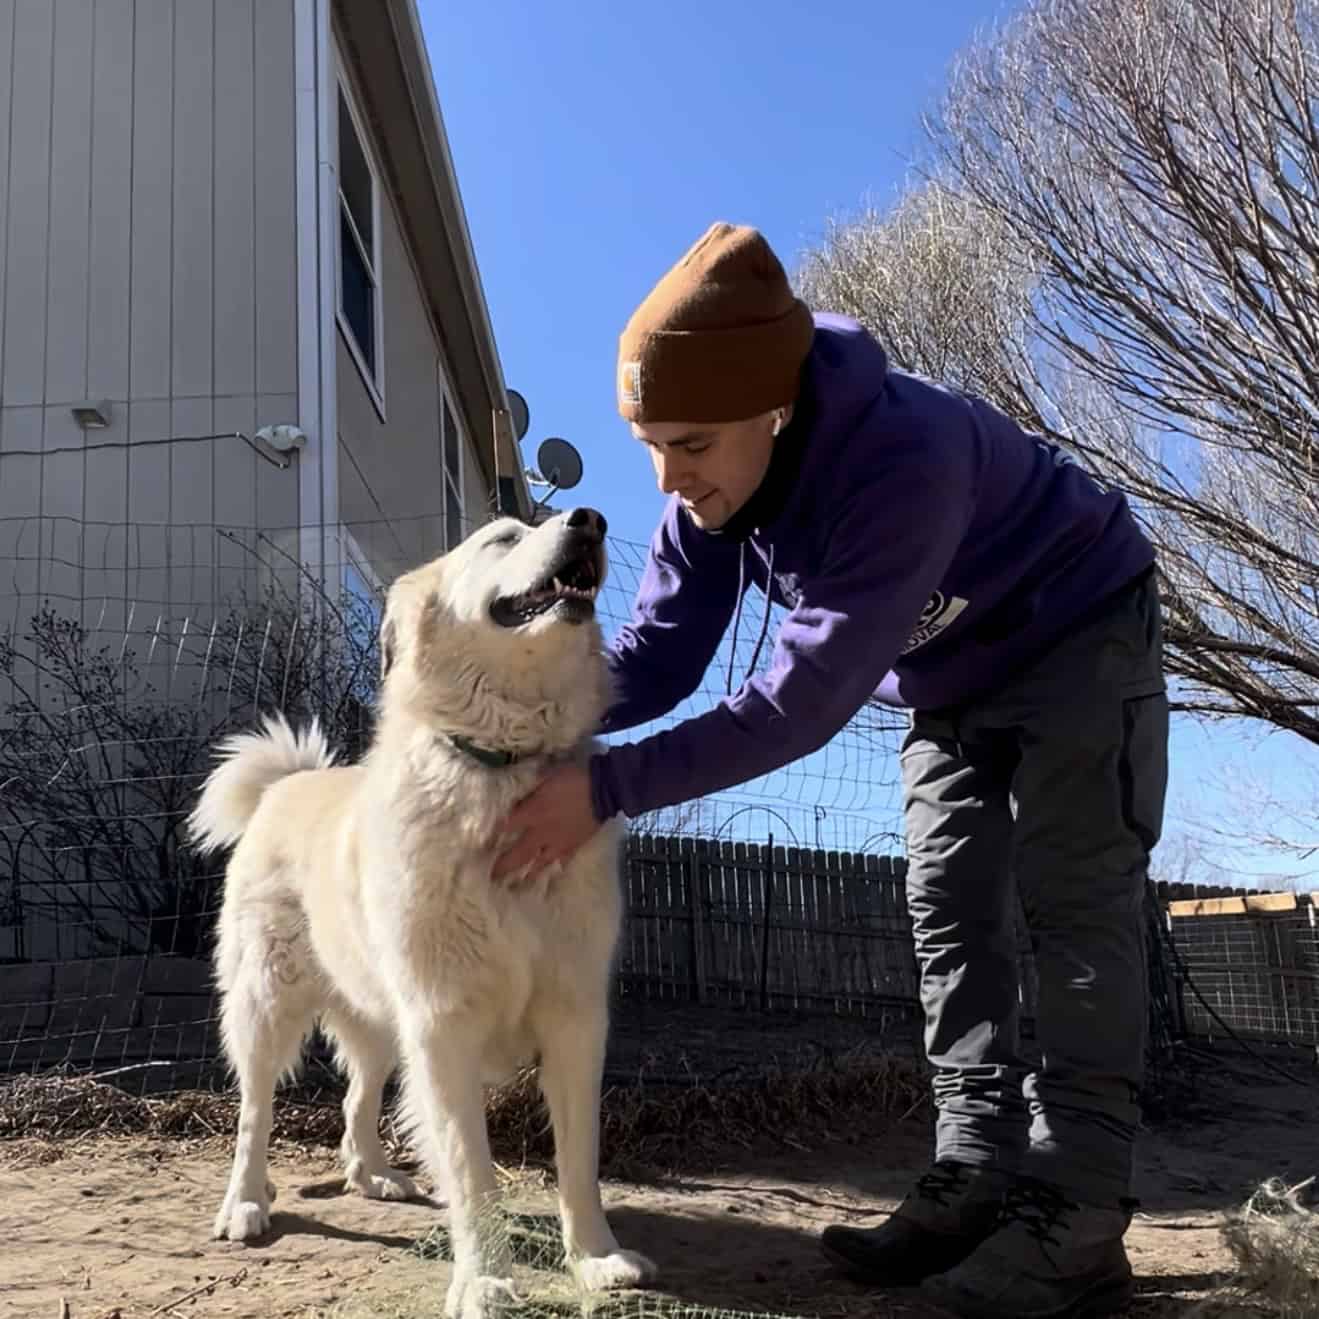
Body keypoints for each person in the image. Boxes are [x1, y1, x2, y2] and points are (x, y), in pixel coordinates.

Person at [493, 222, 1168, 1319]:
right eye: (648, 440)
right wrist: (529, 719)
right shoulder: (704, 491)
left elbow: (797, 706)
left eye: (693, 443)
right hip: (948, 678)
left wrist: (602, 788)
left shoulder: (902, 456)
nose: (669, 475)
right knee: (947, 906)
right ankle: (973, 1172)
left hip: (1077, 624)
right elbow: (659, 656)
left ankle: (1077, 1215)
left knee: (1071, 901)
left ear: (772, 407)